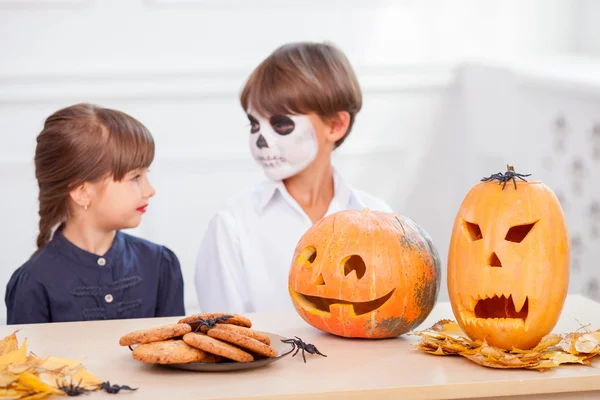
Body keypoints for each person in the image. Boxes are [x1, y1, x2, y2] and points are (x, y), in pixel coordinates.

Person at [194, 41, 393, 314]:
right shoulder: (232, 224)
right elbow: (222, 333)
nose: (261, 141)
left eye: (281, 124)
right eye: (254, 124)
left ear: (335, 125)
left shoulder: (381, 219)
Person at [5, 103, 185, 324]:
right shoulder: (33, 282)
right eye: (135, 177)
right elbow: (27, 359)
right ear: (82, 192)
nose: (150, 190)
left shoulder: (161, 265)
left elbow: (174, 355)